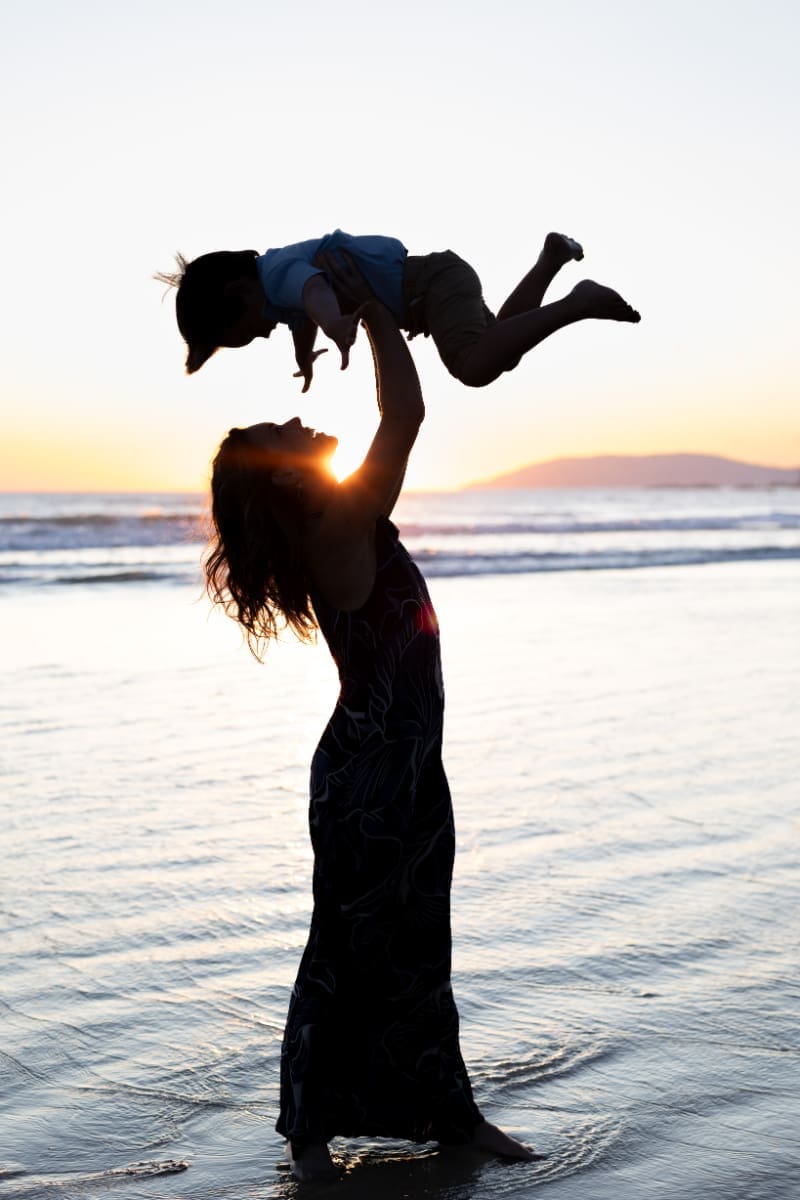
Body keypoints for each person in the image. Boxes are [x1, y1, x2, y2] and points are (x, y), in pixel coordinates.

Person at [205, 299, 544, 1181]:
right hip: (370, 782)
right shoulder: (341, 524)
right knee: (354, 951)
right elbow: (407, 415)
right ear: (285, 480)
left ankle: (446, 1121)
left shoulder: (341, 520)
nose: (298, 423)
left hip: (402, 771)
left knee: (415, 951)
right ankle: (315, 1136)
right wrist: (380, 313)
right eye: (281, 434)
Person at [158, 228, 640, 392]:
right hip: (435, 285)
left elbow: (314, 292)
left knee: (473, 367)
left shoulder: (279, 274)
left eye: (248, 333)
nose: (262, 335)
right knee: (501, 346)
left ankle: (578, 302)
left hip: (430, 286)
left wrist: (337, 322)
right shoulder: (275, 287)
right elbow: (303, 315)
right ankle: (550, 261)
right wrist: (305, 357)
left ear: (237, 295)